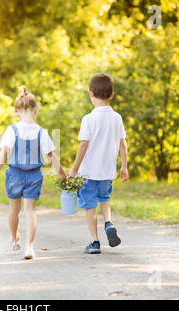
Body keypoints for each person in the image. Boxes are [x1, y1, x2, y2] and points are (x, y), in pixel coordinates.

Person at [0, 86, 66, 259]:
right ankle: (29, 246)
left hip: (14, 174)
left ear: (16, 112)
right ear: (36, 111)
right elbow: (50, 155)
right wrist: (61, 173)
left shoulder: (12, 130)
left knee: (13, 209)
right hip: (34, 175)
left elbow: (4, 152)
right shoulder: (41, 132)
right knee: (30, 211)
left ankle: (14, 238)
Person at [67, 73, 129, 254]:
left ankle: (95, 242)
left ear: (90, 93)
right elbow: (122, 144)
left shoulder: (89, 119)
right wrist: (124, 166)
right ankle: (108, 222)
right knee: (104, 199)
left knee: (89, 206)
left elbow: (83, 145)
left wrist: (74, 169)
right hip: (107, 172)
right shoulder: (117, 118)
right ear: (111, 95)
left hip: (88, 173)